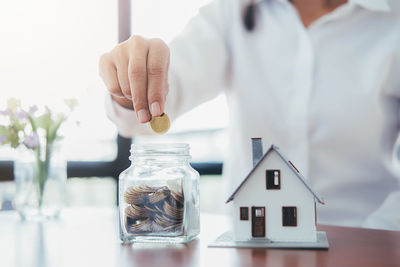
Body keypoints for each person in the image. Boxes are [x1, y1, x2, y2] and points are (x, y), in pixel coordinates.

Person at [99, 0, 400, 230]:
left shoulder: (391, 20)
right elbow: (162, 96)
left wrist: (377, 238)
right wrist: (133, 83)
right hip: (249, 243)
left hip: (369, 238)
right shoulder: (232, 10)